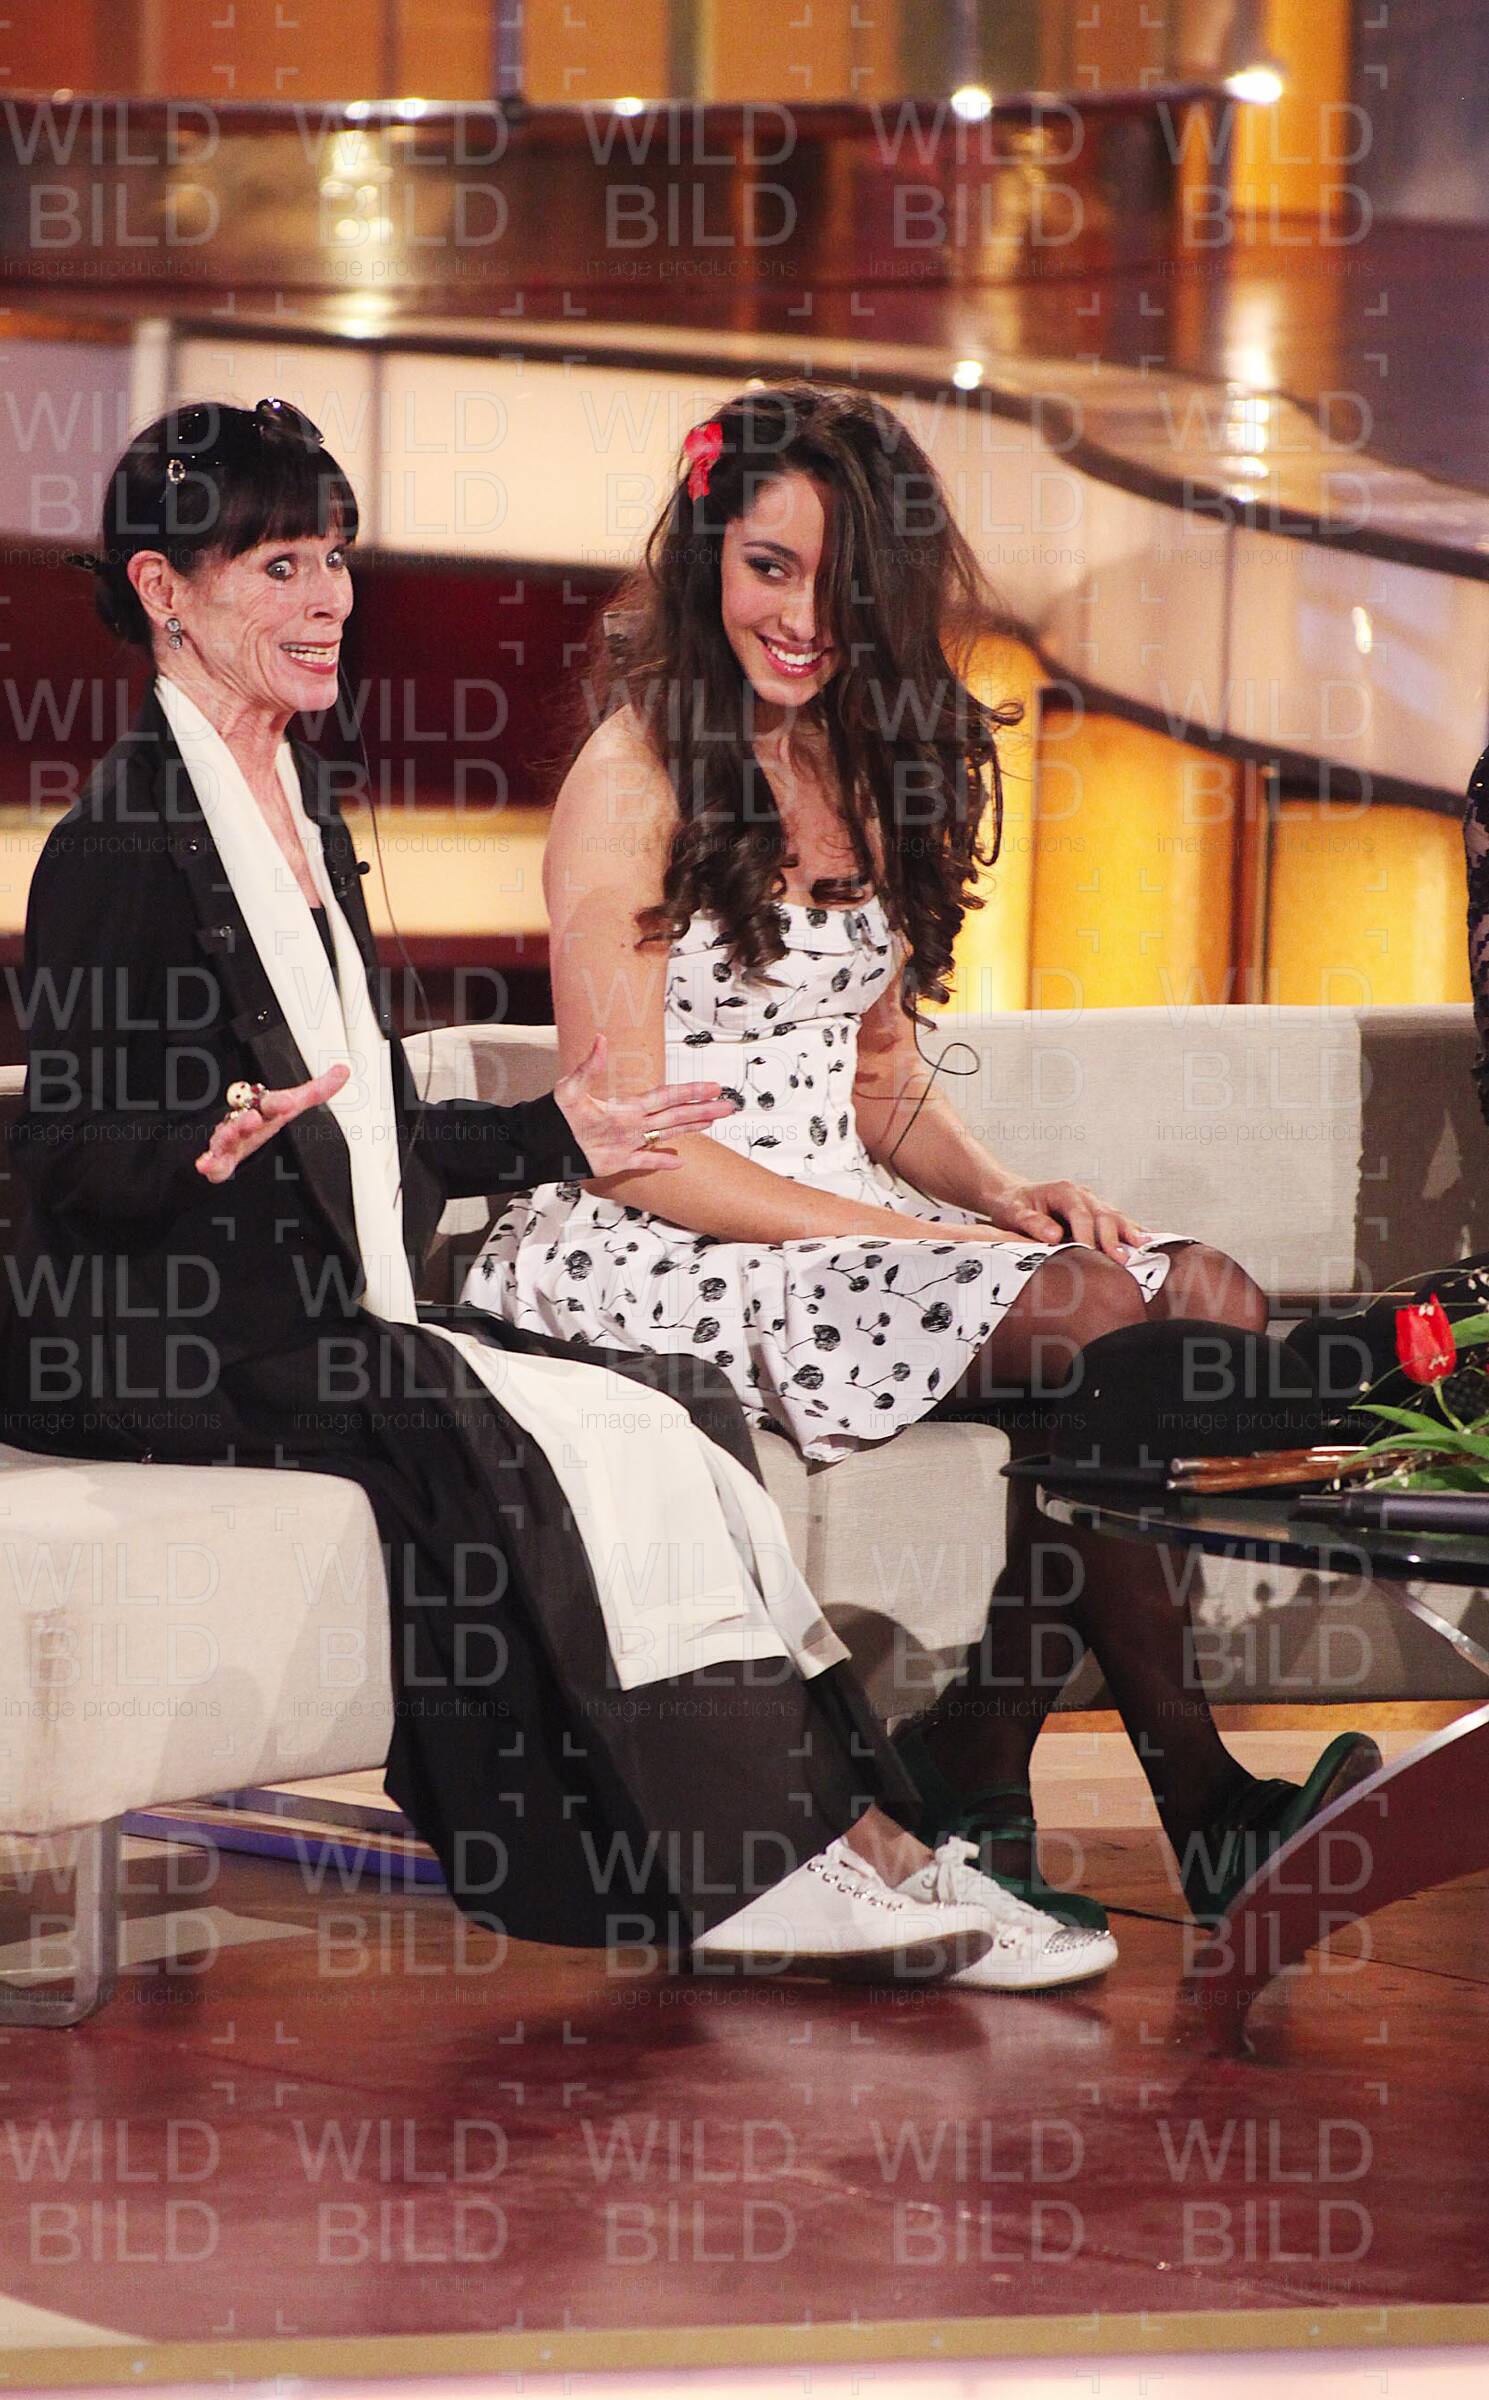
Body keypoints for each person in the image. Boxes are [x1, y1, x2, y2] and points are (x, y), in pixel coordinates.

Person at [0, 395, 1117, 1993]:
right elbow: (63, 1156)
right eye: (278, 568)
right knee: (529, 1432)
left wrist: (549, 1135)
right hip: (169, 1340)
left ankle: (866, 1842)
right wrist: (199, 1139)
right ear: (164, 592)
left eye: (334, 560)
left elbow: (365, 1129)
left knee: (660, 1408)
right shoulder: (119, 841)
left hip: (309, 1313)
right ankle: (757, 1870)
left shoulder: (295, 807)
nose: (327, 601)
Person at [466, 382, 1380, 1928]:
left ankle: (981, 1752)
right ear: (705, 556)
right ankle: (1195, 1799)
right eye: (768, 568)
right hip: (668, 1240)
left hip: (851, 1221)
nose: (800, 618)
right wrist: (931, 1247)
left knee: (1201, 1294)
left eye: (841, 584)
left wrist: (1002, 1198)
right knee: (1097, 1314)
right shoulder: (631, 777)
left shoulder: (871, 760)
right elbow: (629, 1152)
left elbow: (879, 1077)